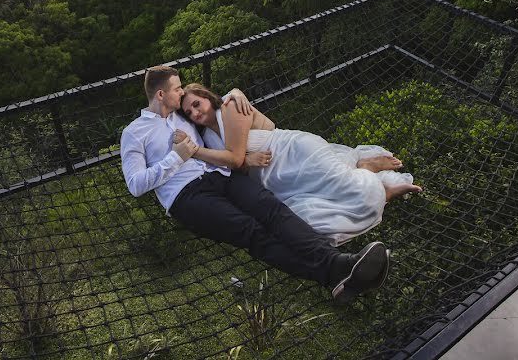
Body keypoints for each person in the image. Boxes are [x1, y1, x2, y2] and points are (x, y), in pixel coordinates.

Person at [120, 65, 390, 302]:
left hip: (222, 176)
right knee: (252, 232)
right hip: (186, 196)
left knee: (272, 209)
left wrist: (236, 93)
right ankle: (332, 274)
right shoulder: (134, 133)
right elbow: (135, 185)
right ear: (160, 94)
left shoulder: (184, 117)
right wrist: (175, 158)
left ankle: (342, 263)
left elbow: (218, 112)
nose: (181, 94)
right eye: (177, 89)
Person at [178, 83, 422, 246]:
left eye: (197, 104)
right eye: (189, 112)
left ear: (207, 97)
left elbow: (234, 157)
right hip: (275, 179)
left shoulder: (230, 106)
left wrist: (226, 157)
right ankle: (376, 185)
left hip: (294, 153)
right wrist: (244, 161)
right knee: (306, 222)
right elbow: (231, 166)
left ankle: (369, 171)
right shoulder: (208, 138)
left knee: (348, 187)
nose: (195, 113)